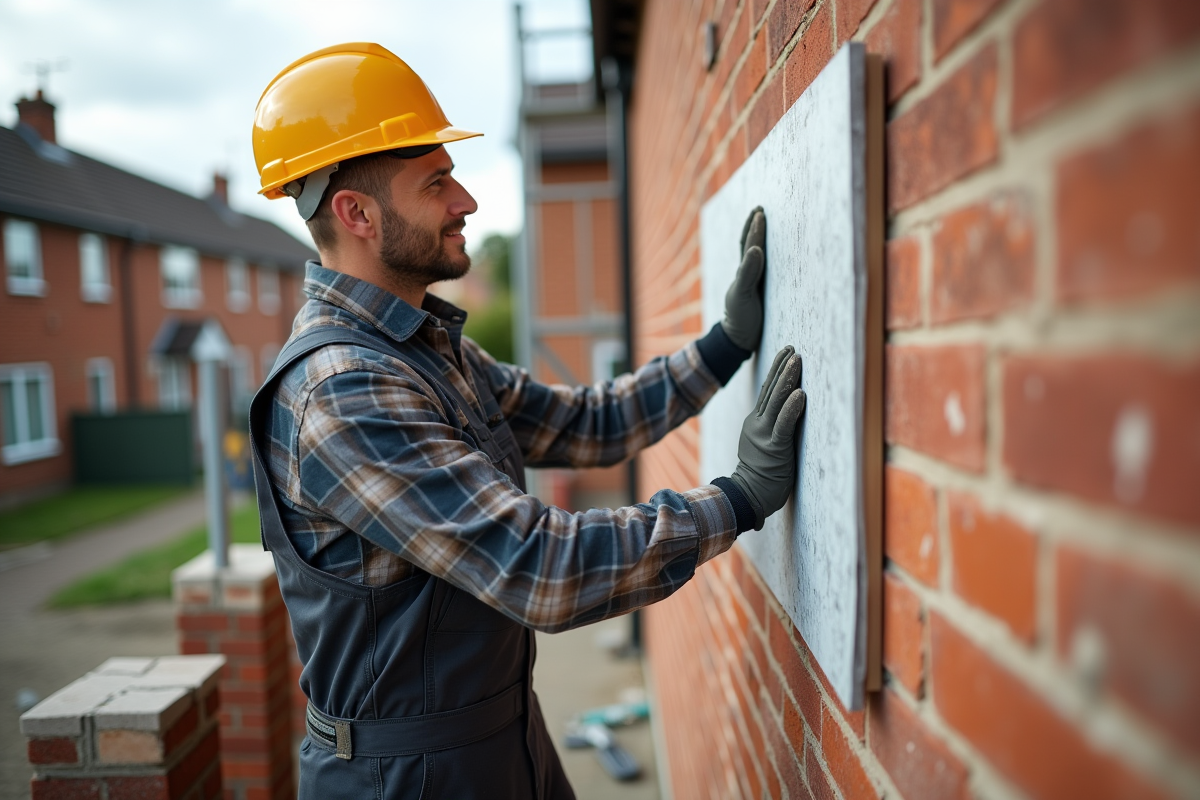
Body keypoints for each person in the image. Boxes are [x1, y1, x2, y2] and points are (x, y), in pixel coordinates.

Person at [248, 43, 807, 799]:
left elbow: (584, 425)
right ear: (357, 214)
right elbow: (539, 569)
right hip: (405, 779)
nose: (466, 202)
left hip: (498, 740)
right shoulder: (345, 392)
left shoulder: (423, 349)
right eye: (437, 182)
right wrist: (737, 499)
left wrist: (722, 348)